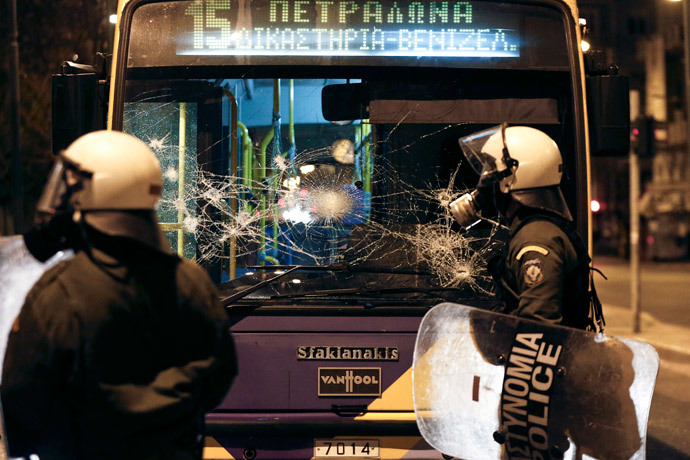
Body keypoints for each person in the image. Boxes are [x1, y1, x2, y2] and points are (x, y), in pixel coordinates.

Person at [2, 130, 237, 460]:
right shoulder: (190, 280)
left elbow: (21, 392)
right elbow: (220, 373)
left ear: (93, 193)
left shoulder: (62, 291)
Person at [449, 124, 603, 330]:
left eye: (491, 174)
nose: (484, 184)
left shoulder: (537, 240)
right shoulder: (536, 229)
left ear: (511, 179)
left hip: (543, 361)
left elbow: (537, 330)